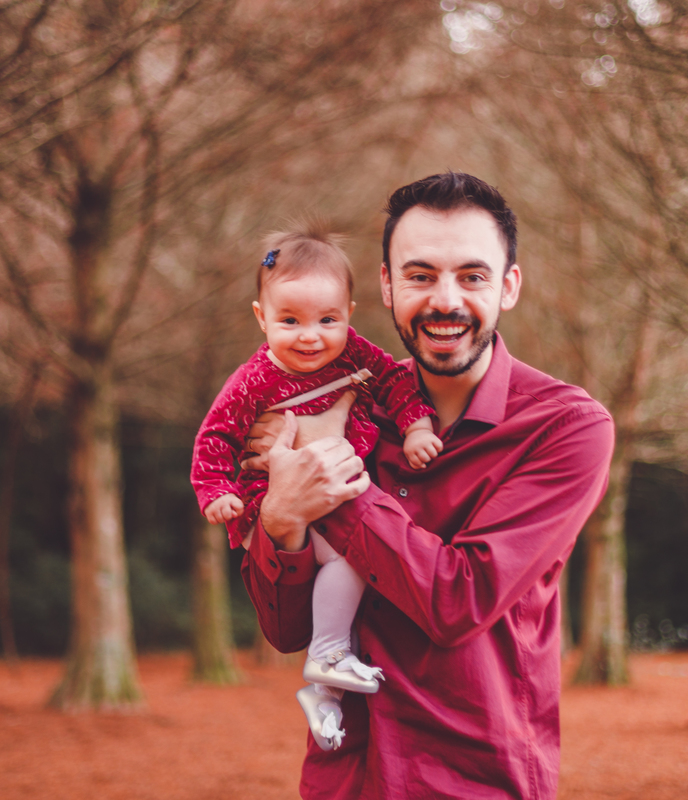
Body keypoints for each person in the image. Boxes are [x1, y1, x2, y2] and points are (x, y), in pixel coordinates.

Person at [239, 173, 615, 799]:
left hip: (475, 782)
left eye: (472, 276)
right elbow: (286, 632)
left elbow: (457, 600)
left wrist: (333, 481)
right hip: (347, 780)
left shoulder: (566, 428)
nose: (445, 301)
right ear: (386, 287)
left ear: (509, 287)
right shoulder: (337, 408)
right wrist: (280, 518)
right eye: (420, 276)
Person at [190, 225, 443, 750]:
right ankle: (326, 656)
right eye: (290, 321)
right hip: (276, 493)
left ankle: (323, 692)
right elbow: (216, 435)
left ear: (349, 312)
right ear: (261, 318)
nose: (311, 336)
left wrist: (418, 424)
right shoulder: (253, 381)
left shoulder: (353, 354)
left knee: (354, 571)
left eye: (328, 320)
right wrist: (215, 490)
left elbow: (396, 383)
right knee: (350, 559)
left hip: (339, 487)